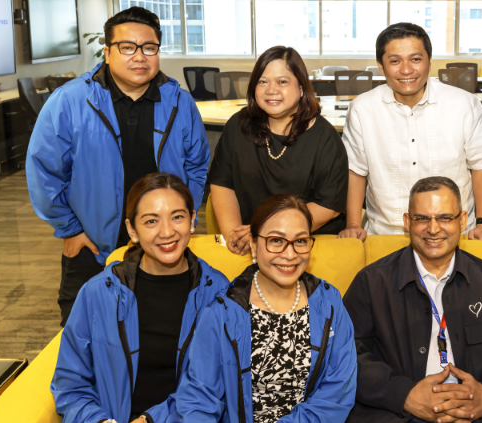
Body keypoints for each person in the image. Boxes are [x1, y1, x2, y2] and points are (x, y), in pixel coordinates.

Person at [26, 6, 210, 326]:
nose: (140, 56)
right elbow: (44, 170)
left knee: (162, 332)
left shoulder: (179, 102)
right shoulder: (71, 101)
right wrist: (70, 230)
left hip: (162, 241)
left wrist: (183, 217)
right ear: (108, 52)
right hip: (93, 246)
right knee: (86, 336)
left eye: (149, 48)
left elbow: (197, 165)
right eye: (128, 47)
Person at [343, 176, 482, 422]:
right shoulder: (371, 283)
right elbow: (347, 355)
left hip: (481, 415)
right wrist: (404, 395)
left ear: (462, 221)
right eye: (422, 218)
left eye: (444, 218)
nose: (433, 229)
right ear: (407, 223)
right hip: (398, 414)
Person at [51, 173, 230, 423]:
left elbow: (218, 384)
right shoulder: (98, 293)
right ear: (131, 230)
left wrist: (151, 420)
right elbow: (70, 383)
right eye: (151, 221)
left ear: (193, 221)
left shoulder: (218, 293)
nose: (167, 232)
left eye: (177, 217)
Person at [175, 195, 356, 422]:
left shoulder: (329, 303)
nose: (290, 255)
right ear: (252, 242)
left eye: (300, 241)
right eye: (276, 241)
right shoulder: (222, 311)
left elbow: (337, 393)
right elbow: (199, 397)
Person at [339, 23, 482, 242]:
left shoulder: (463, 104)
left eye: (416, 59)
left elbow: (481, 165)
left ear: (429, 61)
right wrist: (352, 225)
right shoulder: (362, 108)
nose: (406, 70)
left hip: (453, 233)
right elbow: (356, 171)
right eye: (395, 61)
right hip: (387, 233)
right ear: (381, 66)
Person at [209, 46, 348, 256]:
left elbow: (328, 206)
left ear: (301, 87)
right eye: (263, 81)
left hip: (306, 245)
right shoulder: (239, 125)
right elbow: (222, 184)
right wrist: (233, 236)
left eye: (282, 82)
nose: (271, 90)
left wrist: (267, 235)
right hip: (248, 243)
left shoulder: (325, 138)